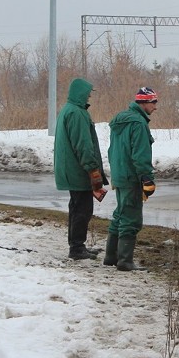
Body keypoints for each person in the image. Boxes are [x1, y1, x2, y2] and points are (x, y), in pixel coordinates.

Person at [103, 86, 158, 271]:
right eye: (153, 102)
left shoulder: (119, 121)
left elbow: (112, 151)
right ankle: (125, 261)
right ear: (144, 103)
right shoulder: (138, 124)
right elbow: (140, 155)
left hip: (119, 175)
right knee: (131, 218)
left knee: (120, 214)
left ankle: (111, 256)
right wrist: (147, 179)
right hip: (132, 177)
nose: (156, 107)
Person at [54, 78, 108, 260]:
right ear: (80, 93)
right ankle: (77, 248)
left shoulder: (68, 110)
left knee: (77, 208)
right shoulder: (77, 113)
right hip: (78, 172)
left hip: (71, 169)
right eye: (88, 93)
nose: (89, 96)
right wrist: (93, 170)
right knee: (82, 210)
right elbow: (83, 145)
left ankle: (76, 245)